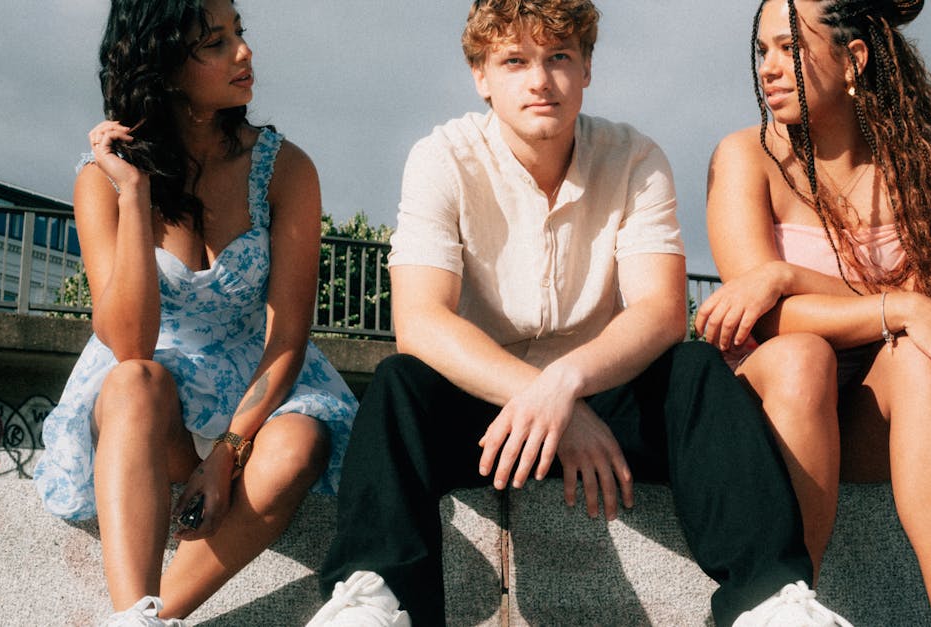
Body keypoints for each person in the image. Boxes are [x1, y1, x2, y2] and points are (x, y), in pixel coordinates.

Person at [309, 1, 851, 626]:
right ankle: (378, 598)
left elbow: (660, 311)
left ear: (587, 67)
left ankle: (767, 601)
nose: (539, 80)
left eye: (559, 57)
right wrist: (544, 400)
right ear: (481, 76)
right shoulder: (442, 158)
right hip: (487, 410)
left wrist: (567, 387)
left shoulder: (634, 158)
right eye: (515, 61)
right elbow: (421, 322)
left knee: (695, 371)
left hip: (602, 392)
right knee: (400, 385)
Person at [32, 0, 357, 623]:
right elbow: (129, 341)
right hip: (153, 402)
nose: (244, 52)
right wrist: (135, 194)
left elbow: (289, 333)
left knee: (301, 443)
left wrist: (229, 451)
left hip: (256, 386)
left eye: (240, 32)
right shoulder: (104, 182)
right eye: (215, 42)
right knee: (135, 379)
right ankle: (135, 615)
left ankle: (147, 620)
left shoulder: (284, 168)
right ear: (164, 67)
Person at [695, 1, 931, 625]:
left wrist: (788, 277)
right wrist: (899, 303)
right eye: (762, 51)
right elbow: (760, 319)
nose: (769, 70)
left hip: (869, 417)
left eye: (789, 49)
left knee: (919, 357)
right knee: (803, 355)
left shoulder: (927, 162)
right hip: (769, 405)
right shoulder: (744, 158)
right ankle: (787, 606)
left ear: (853, 59)